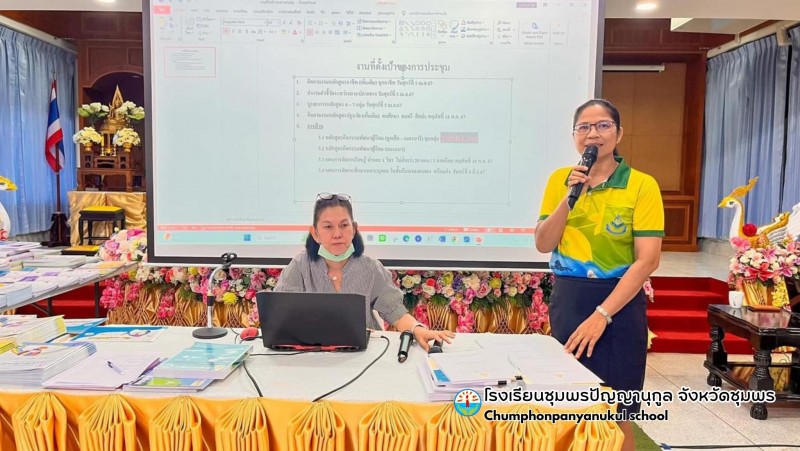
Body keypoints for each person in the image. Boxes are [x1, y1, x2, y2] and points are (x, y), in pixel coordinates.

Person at [535, 99, 663, 451]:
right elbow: (544, 244)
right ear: (575, 135)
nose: (593, 133)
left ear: (618, 133)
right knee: (567, 406)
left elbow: (648, 260)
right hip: (569, 302)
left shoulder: (641, 185)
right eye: (584, 127)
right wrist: (569, 198)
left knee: (617, 411)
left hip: (618, 306)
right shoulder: (561, 180)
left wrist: (602, 315)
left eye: (603, 125)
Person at [275, 192, 455, 351]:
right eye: (328, 227)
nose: (337, 234)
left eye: (344, 225)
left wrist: (417, 329)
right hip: (312, 354)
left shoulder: (371, 268)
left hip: (365, 353)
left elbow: (396, 312)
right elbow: (281, 314)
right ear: (315, 233)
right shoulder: (300, 265)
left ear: (354, 229)